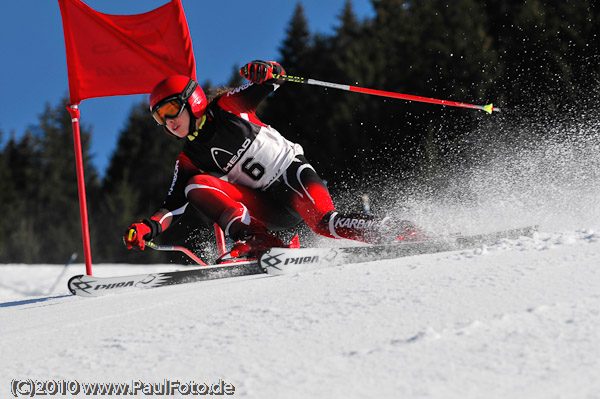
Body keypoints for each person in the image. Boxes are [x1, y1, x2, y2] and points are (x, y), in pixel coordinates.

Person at [123, 60, 417, 259]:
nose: (168, 122)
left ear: (192, 100)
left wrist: (264, 70)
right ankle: (259, 239)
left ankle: (399, 231)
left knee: (325, 223)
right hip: (266, 206)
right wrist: (148, 227)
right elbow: (173, 207)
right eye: (159, 117)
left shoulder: (228, 108)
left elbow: (274, 78)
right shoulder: (188, 158)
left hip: (291, 174)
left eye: (171, 109)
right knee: (196, 185)